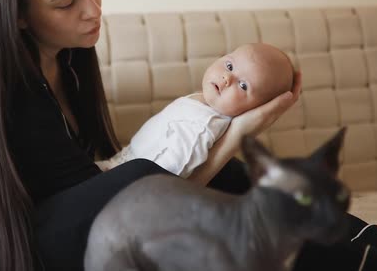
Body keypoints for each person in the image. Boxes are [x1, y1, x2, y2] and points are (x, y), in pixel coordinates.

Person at [0, 0, 377, 270]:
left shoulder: (65, 63)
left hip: (39, 229)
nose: (93, 10)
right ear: (17, 14)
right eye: (66, 2)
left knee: (230, 177)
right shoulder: (1, 91)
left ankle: (366, 246)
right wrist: (238, 129)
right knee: (150, 176)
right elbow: (129, 207)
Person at [96, 43, 295, 178]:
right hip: (119, 164)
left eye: (243, 86)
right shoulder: (204, 103)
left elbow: (170, 174)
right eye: (229, 65)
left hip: (123, 183)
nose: (227, 78)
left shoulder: (202, 128)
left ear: (257, 110)